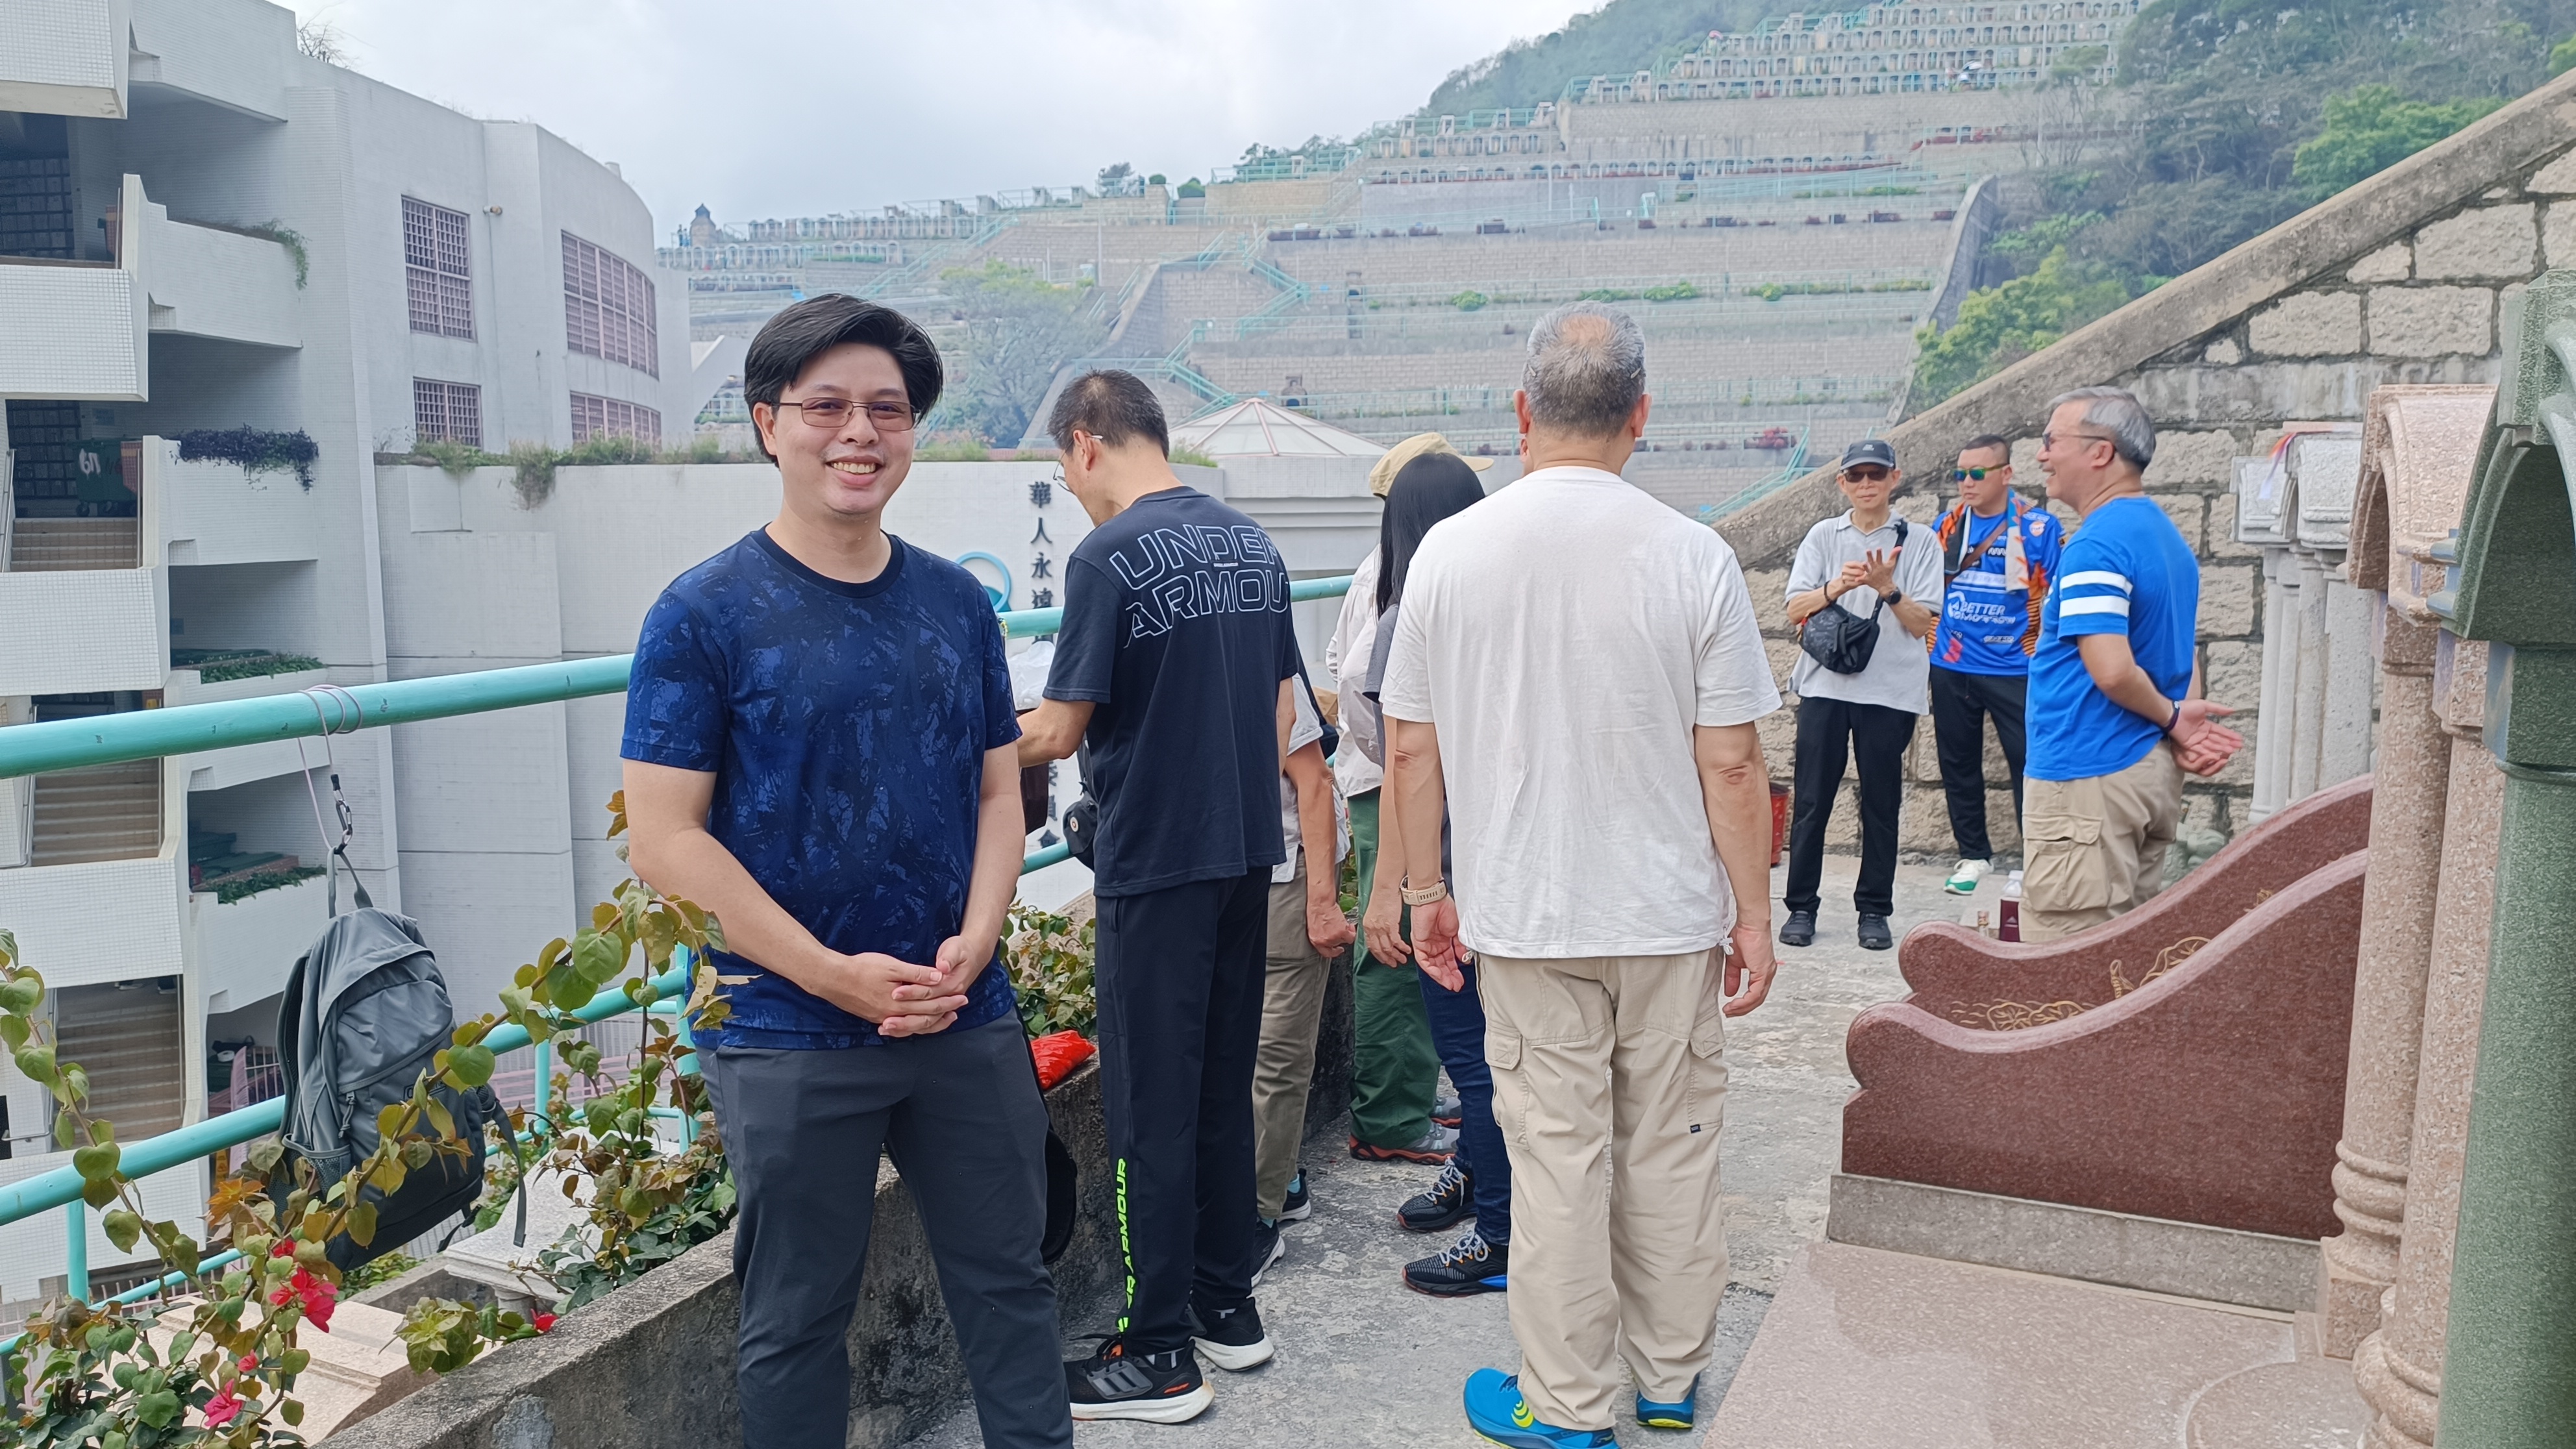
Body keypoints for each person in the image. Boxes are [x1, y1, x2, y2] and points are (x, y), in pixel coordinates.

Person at [618, 295, 1068, 1449]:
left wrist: (979, 934)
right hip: (785, 1023)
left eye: (887, 408)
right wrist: (830, 973)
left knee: (1011, 1281)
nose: (859, 431)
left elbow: (996, 790)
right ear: (768, 424)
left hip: (958, 1005)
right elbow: (664, 838)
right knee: (795, 1317)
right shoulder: (701, 614)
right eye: (826, 406)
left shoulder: (954, 602)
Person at [1379, 301, 1784, 1447]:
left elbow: (1409, 749)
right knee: (1671, 1150)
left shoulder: (1451, 552)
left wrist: (1422, 895)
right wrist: (1752, 915)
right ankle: (1668, 1383)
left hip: (1525, 917)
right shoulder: (1693, 554)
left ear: (1522, 412)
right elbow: (1732, 759)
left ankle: (1565, 1406)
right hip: (1667, 917)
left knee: (1557, 1162)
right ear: (1639, 416)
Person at [1014, 369, 1301, 1424]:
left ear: (1086, 442)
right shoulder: (1251, 544)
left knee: (1147, 1108)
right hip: (1243, 852)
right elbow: (1280, 710)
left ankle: (1156, 1351)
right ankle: (1226, 1305)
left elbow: (1058, 729)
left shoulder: (1107, 556)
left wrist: (958, 732)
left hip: (1153, 865)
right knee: (1219, 1087)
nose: (1072, 486)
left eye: (1065, 466)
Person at [1356, 451, 1513, 1298]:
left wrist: (1395, 894)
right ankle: (1476, 1173)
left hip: (1446, 876)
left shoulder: (1409, 616)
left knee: (1472, 1060)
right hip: (1513, 867)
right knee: (1501, 1055)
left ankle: (1498, 1233)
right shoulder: (1512, 607)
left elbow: (1402, 766)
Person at [2023, 386, 2244, 941]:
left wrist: (2175, 720)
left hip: (2089, 774)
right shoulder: (2165, 537)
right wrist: (2179, 725)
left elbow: (2113, 670)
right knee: (2126, 955)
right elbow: (2181, 649)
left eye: (2051, 441)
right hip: (2146, 772)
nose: (2042, 455)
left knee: (2066, 959)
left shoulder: (2097, 546)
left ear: (2100, 452)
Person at [1328, 434, 1480, 1167]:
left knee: (1428, 942)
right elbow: (1361, 688)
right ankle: (1389, 1116)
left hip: (1411, 780)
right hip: (1390, 788)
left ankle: (1416, 1091)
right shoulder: (1386, 581)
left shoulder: (1419, 573)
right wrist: (1395, 751)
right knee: (1392, 947)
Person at [1779, 439, 1944, 951]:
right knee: (1812, 801)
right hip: (1825, 686)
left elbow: (1923, 624)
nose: (1867, 484)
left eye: (1876, 474)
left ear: (1895, 478)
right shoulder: (1824, 535)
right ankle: (1801, 907)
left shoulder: (1920, 541)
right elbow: (1795, 609)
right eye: (1857, 476)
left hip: (1889, 691)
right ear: (1842, 483)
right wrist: (1837, 587)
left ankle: (1874, 910)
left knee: (1881, 803)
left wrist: (1887, 588)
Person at [1246, 665, 1353, 1279]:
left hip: (1286, 879)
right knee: (1248, 1055)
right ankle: (1281, 1184)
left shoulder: (1265, 663)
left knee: (1275, 1057)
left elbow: (1313, 782)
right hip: (1234, 882)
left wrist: (1322, 904)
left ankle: (1258, 1218)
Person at [1928, 434, 2062, 895]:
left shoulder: (2039, 528)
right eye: (1959, 474)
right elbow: (1931, 589)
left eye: (1977, 473)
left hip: (2016, 667)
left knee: (2030, 764)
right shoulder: (1947, 526)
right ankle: (1973, 856)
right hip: (1952, 663)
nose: (1966, 482)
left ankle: (2035, 860)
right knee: (1958, 763)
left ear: (2006, 474)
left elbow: (2057, 599)